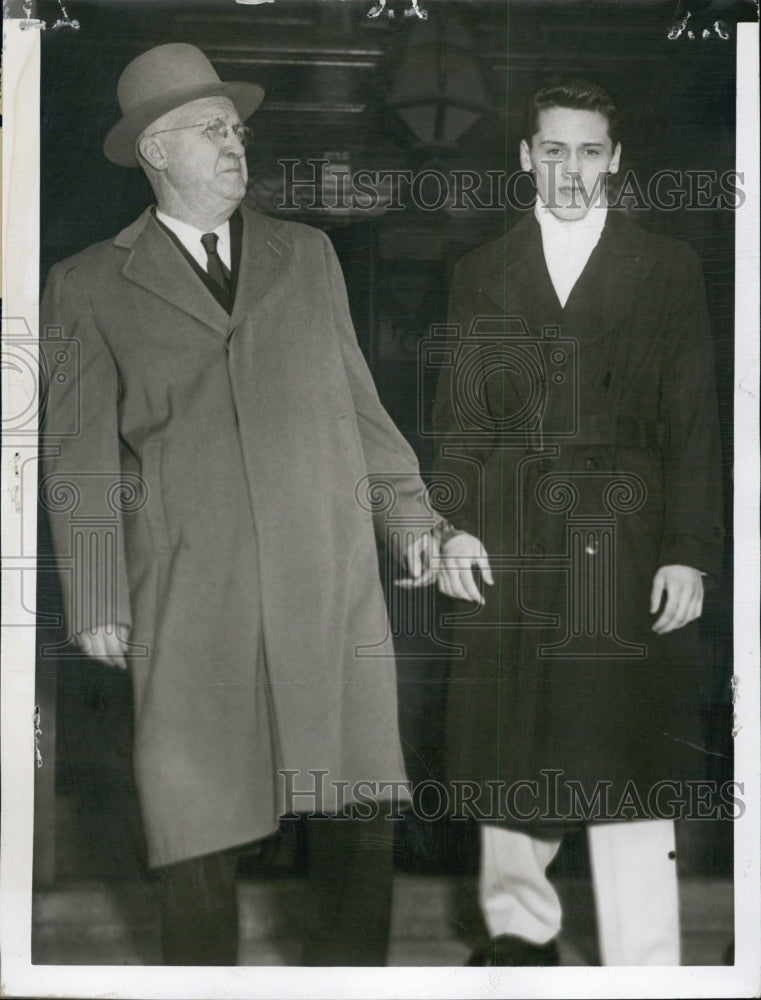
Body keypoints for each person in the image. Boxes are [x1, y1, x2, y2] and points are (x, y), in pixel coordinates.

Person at [39, 42, 441, 966]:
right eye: (211, 129)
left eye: (238, 128)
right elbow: (80, 458)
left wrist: (413, 521)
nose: (235, 143)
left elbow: (362, 410)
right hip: (192, 590)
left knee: (355, 807)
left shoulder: (309, 255)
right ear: (155, 152)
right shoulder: (89, 284)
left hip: (323, 575)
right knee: (198, 823)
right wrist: (98, 597)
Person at [432, 77, 724, 966]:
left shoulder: (666, 266)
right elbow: (460, 423)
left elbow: (693, 424)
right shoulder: (481, 269)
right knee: (508, 740)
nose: (570, 169)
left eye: (589, 151)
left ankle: (643, 962)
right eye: (552, 150)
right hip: (512, 533)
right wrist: (450, 527)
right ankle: (519, 938)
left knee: (627, 747)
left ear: (616, 159)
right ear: (524, 157)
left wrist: (687, 552)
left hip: (627, 537)